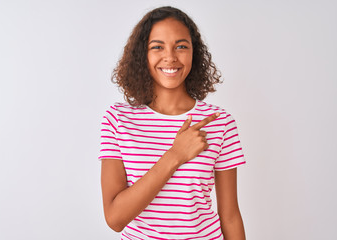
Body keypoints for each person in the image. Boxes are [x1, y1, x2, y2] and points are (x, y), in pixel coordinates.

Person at [99, 6, 246, 240]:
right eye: (157, 46)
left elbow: (229, 215)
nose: (170, 57)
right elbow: (115, 219)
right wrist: (175, 154)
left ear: (194, 53)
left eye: (181, 46)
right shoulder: (118, 119)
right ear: (142, 55)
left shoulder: (220, 123)